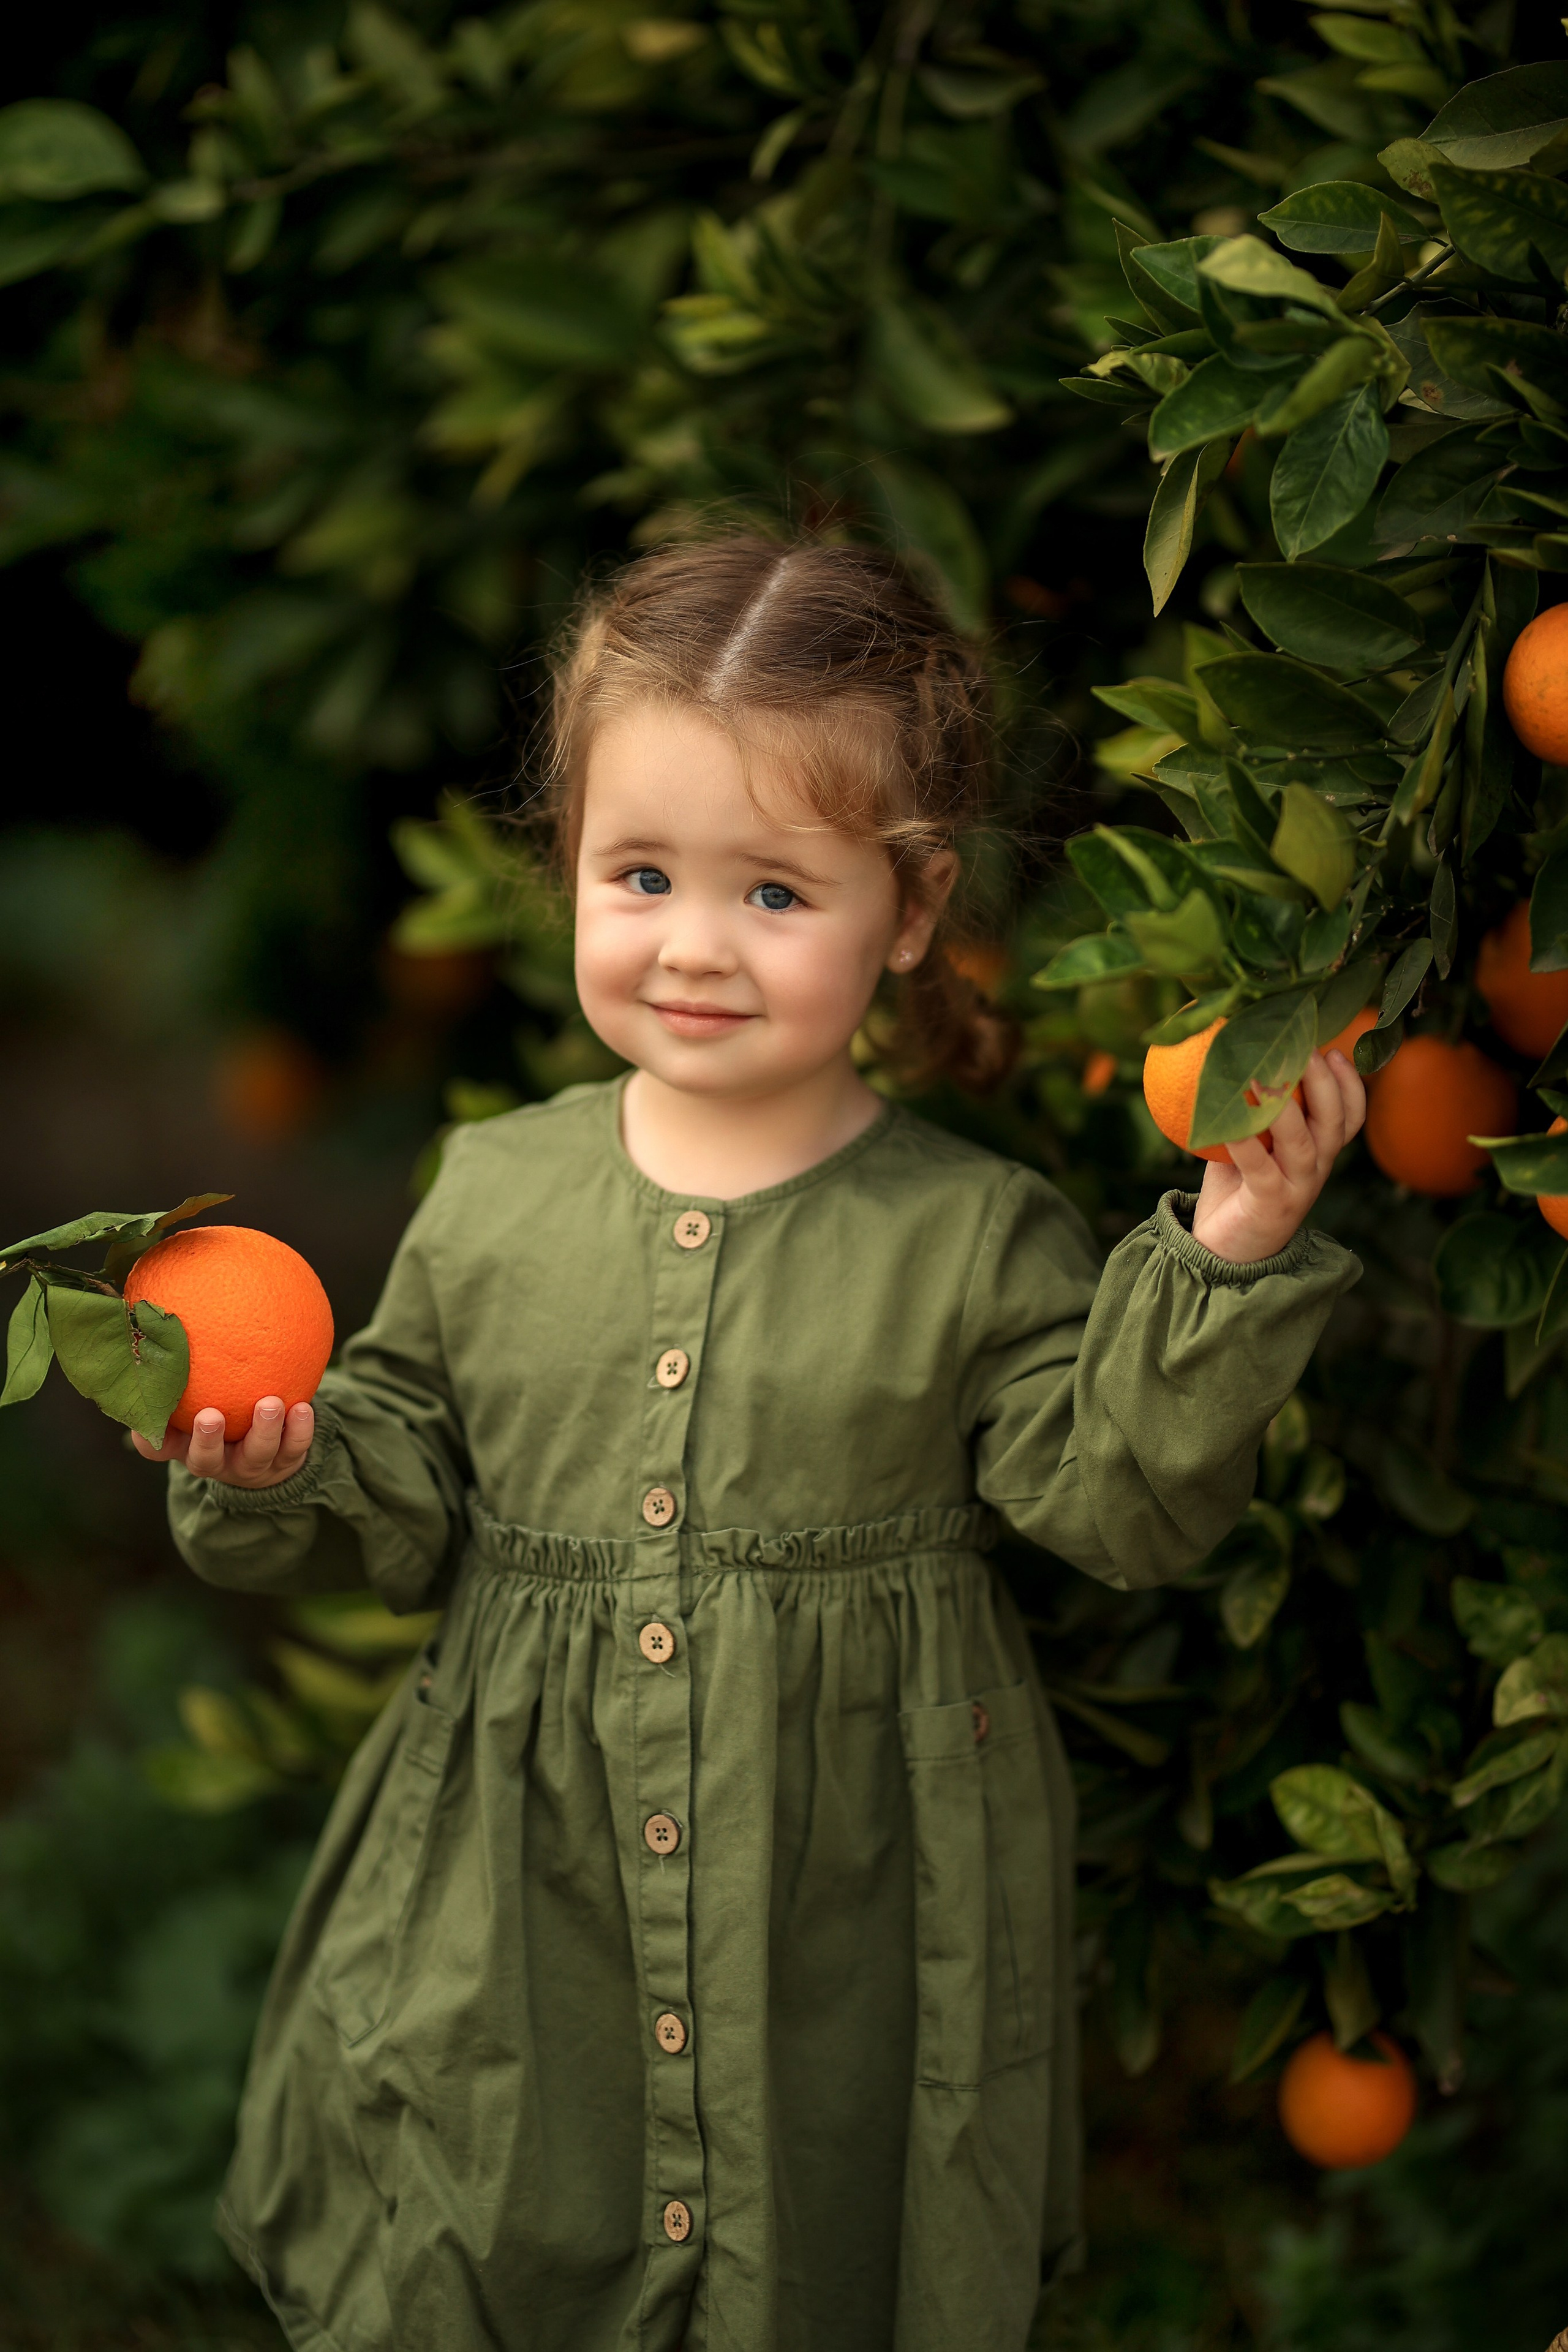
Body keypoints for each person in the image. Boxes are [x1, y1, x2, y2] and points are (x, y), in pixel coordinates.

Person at [137, 537, 1365, 2352]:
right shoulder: (494, 1193)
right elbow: (403, 1483)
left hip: (846, 1913)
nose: (695, 944)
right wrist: (284, 1464)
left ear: (914, 907)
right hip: (523, 1898)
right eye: (640, 873)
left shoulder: (976, 1236)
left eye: (777, 891)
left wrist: (1228, 1258)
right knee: (494, 2216)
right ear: (570, 858)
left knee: (817, 2250)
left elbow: (1115, 1502)